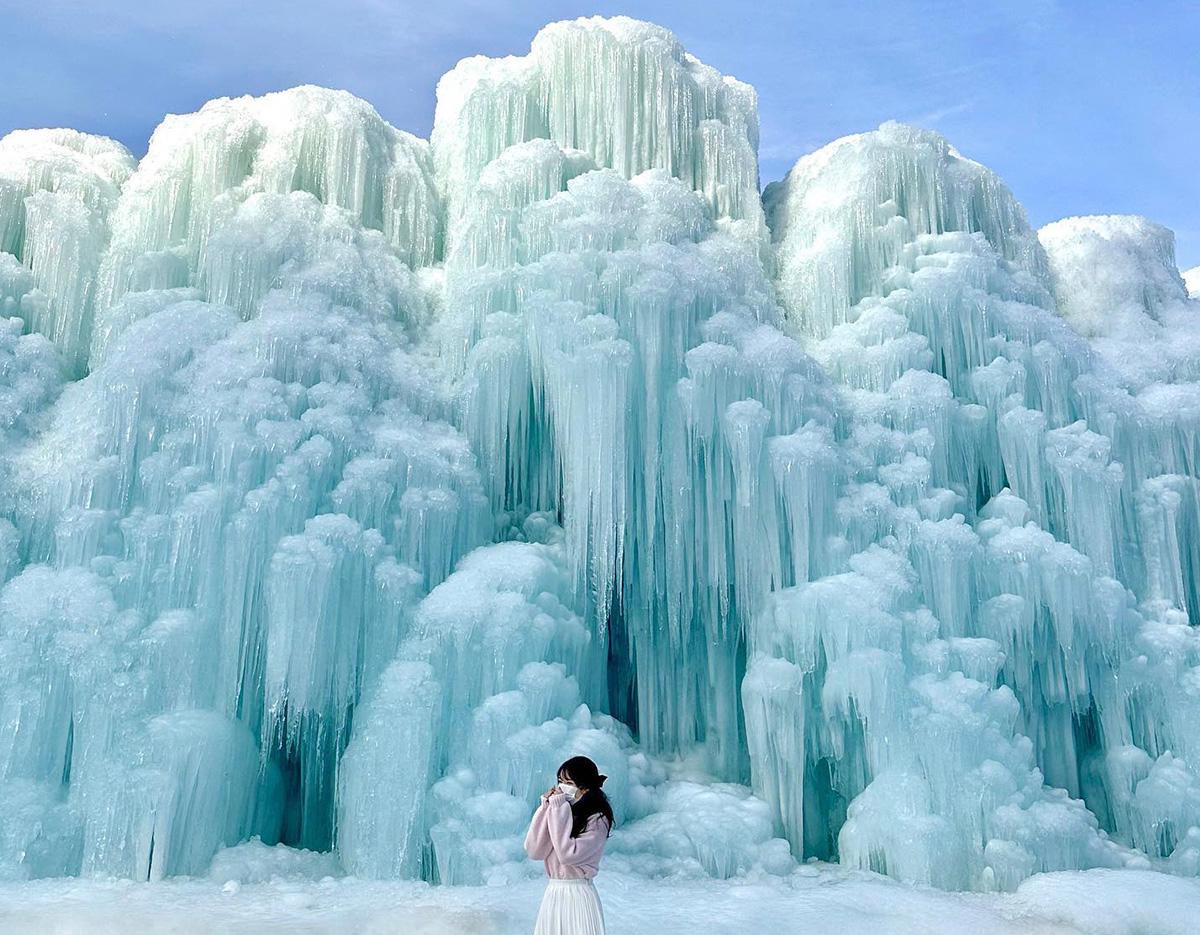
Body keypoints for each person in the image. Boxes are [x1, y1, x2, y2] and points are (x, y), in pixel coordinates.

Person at [523, 755, 614, 935]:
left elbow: (568, 855)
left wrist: (558, 809)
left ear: (585, 788)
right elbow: (535, 851)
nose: (562, 787)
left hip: (578, 893)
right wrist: (545, 808)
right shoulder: (561, 811)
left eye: (569, 782)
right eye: (559, 781)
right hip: (554, 892)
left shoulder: (598, 819)